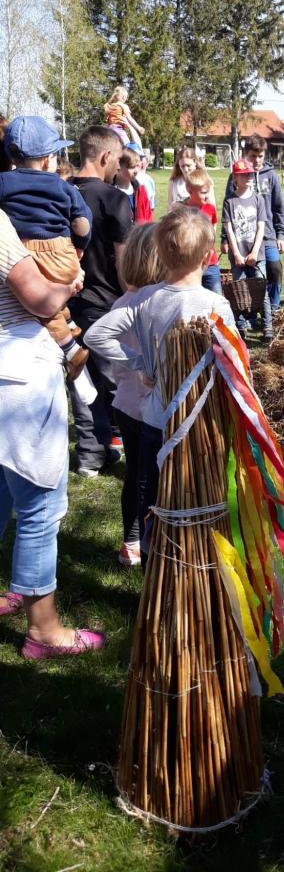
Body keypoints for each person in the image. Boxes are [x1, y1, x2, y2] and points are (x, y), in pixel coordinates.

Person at [85, 207, 236, 554]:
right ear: (208, 256)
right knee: (198, 489)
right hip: (201, 422)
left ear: (163, 255)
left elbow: (96, 335)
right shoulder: (215, 305)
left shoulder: (145, 298)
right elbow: (235, 362)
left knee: (154, 492)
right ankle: (198, 554)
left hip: (155, 418)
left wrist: (141, 364)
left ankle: (154, 555)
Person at [0, 209, 106, 658]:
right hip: (15, 372)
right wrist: (68, 284)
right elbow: (40, 300)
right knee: (40, 504)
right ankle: (43, 630)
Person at [0, 117, 92, 380]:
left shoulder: (4, 181)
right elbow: (83, 222)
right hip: (63, 250)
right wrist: (79, 248)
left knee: (41, 307)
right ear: (46, 160)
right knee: (53, 295)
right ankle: (71, 331)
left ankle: (70, 350)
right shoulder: (64, 186)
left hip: (28, 251)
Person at [67, 126, 130, 475]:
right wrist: (133, 298)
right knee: (116, 380)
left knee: (79, 379)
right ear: (106, 156)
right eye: (118, 159)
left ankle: (92, 455)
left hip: (64, 302)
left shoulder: (60, 191)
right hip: (106, 303)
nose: (119, 167)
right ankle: (124, 446)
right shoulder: (114, 198)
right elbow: (123, 259)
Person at [106, 223, 165, 566]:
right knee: (149, 481)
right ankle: (147, 542)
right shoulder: (155, 306)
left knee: (134, 476)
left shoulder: (121, 303)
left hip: (125, 405)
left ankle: (130, 540)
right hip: (148, 410)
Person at [223, 135, 284, 311]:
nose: (257, 160)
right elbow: (228, 210)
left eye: (260, 156)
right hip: (243, 237)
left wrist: (280, 234)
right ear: (246, 154)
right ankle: (249, 312)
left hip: (267, 235)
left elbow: (279, 207)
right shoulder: (236, 177)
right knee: (247, 276)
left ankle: (273, 310)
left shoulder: (271, 176)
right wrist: (224, 238)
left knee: (274, 269)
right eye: (253, 156)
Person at [222, 158, 273, 343]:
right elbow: (228, 229)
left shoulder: (258, 199)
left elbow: (261, 227)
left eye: (250, 174)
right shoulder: (230, 201)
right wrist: (236, 253)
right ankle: (241, 326)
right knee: (238, 292)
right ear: (235, 177)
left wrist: (255, 252)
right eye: (244, 175)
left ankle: (267, 326)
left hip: (257, 254)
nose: (249, 177)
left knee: (262, 291)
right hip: (238, 255)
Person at [178, 168, 222, 293]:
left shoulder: (210, 208)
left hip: (210, 263)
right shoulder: (182, 210)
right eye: (203, 192)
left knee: (216, 297)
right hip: (189, 264)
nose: (207, 196)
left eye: (208, 192)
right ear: (190, 190)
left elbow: (213, 228)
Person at [114, 145, 153, 224]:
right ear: (119, 166)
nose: (136, 171)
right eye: (132, 167)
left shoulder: (141, 190)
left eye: (137, 166)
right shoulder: (110, 191)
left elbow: (148, 217)